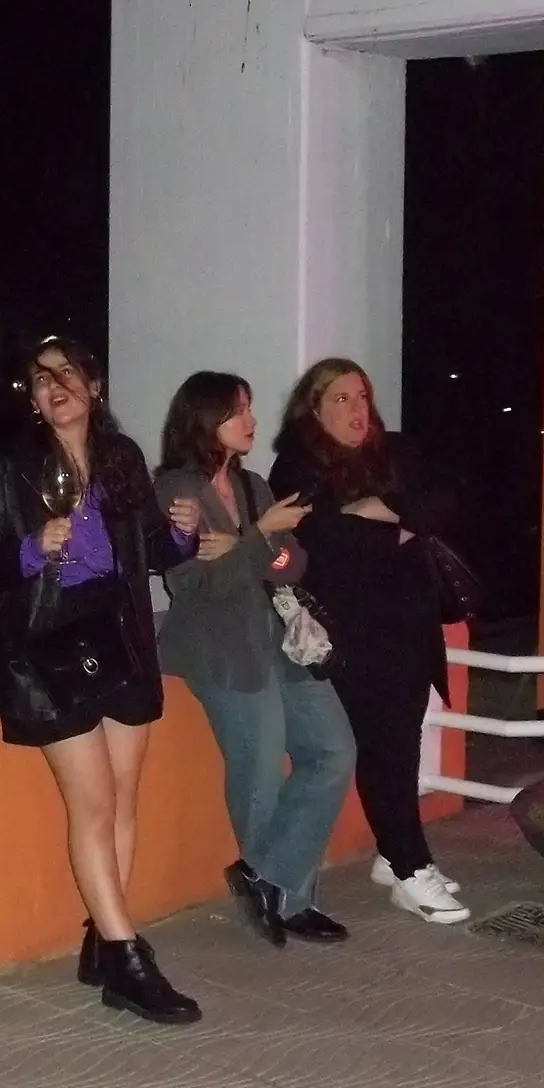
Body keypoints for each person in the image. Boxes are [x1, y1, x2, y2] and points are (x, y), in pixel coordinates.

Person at [0, 336, 204, 1024]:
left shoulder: (121, 457)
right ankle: (126, 958)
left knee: (124, 798)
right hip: (48, 646)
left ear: (93, 386)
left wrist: (181, 534)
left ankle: (104, 941)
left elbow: (149, 548)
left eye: (65, 373)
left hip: (119, 635)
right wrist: (29, 548)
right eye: (40, 380)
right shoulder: (18, 467)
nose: (53, 387)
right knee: (94, 805)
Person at [156, 371, 357, 948]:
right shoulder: (175, 492)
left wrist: (248, 544)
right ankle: (291, 902)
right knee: (260, 773)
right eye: (238, 411)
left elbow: (294, 563)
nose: (252, 421)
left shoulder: (253, 485)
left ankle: (263, 877)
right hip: (222, 650)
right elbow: (192, 584)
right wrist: (260, 538)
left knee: (334, 750)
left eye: (249, 408)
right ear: (204, 420)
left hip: (280, 640)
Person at [269, 358, 470, 925]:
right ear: (313, 408)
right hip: (356, 634)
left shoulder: (394, 451)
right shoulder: (297, 467)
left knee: (402, 744)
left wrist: (376, 510)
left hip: (410, 625)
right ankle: (410, 868)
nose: (358, 409)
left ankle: (394, 853)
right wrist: (399, 524)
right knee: (383, 748)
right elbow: (325, 544)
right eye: (341, 399)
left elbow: (445, 501)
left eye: (362, 396)